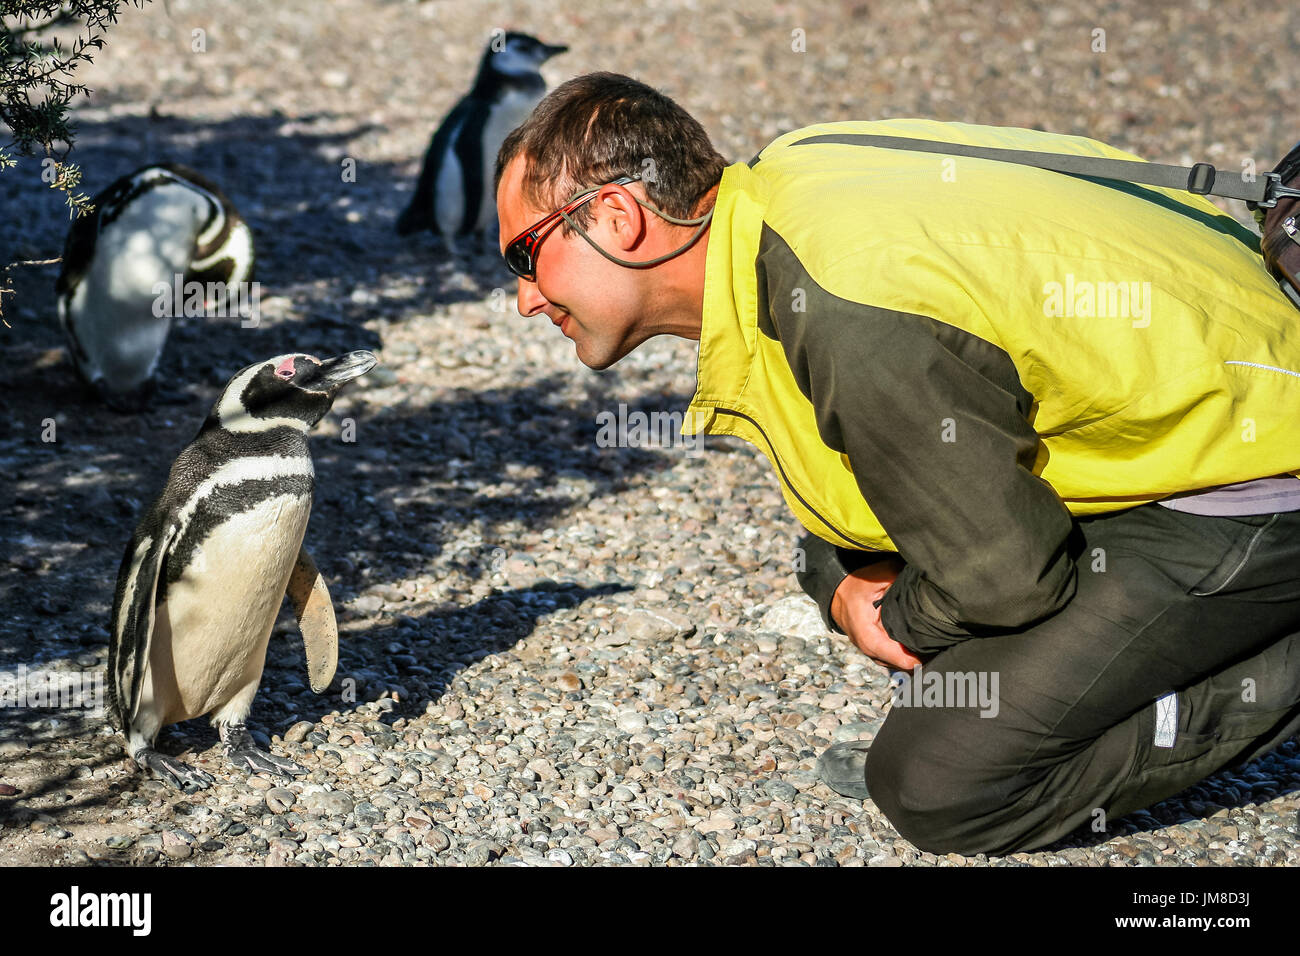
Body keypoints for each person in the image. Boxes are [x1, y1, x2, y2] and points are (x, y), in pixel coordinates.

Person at [494, 71, 1300, 856]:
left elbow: (1007, 578)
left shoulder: (847, 303)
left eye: (525, 257)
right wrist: (838, 582)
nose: (526, 298)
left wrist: (893, 616)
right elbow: (869, 463)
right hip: (1219, 381)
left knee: (941, 780)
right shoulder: (796, 183)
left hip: (1259, 461)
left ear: (615, 214)